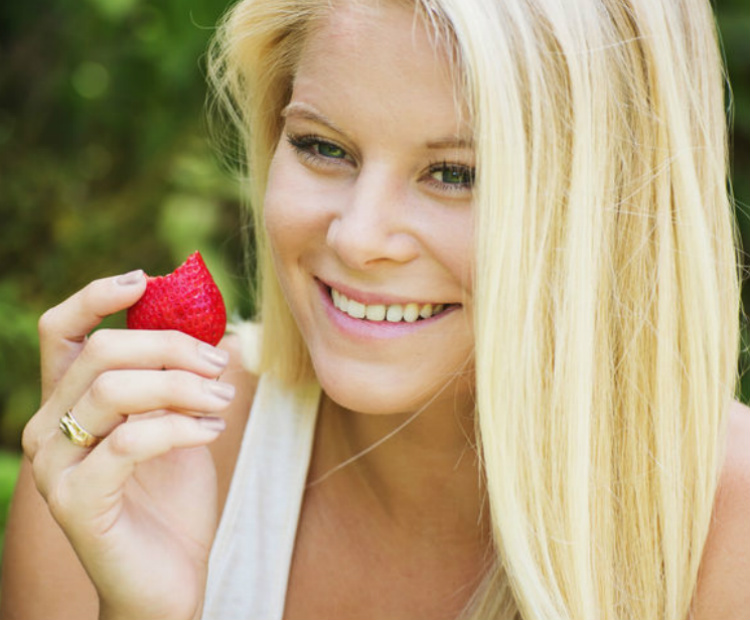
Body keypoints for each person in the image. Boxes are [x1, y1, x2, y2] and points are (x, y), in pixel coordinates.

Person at [2, 0, 749, 618]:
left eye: (455, 172)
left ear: (616, 208)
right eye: (324, 148)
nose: (358, 239)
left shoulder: (730, 532)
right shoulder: (123, 470)